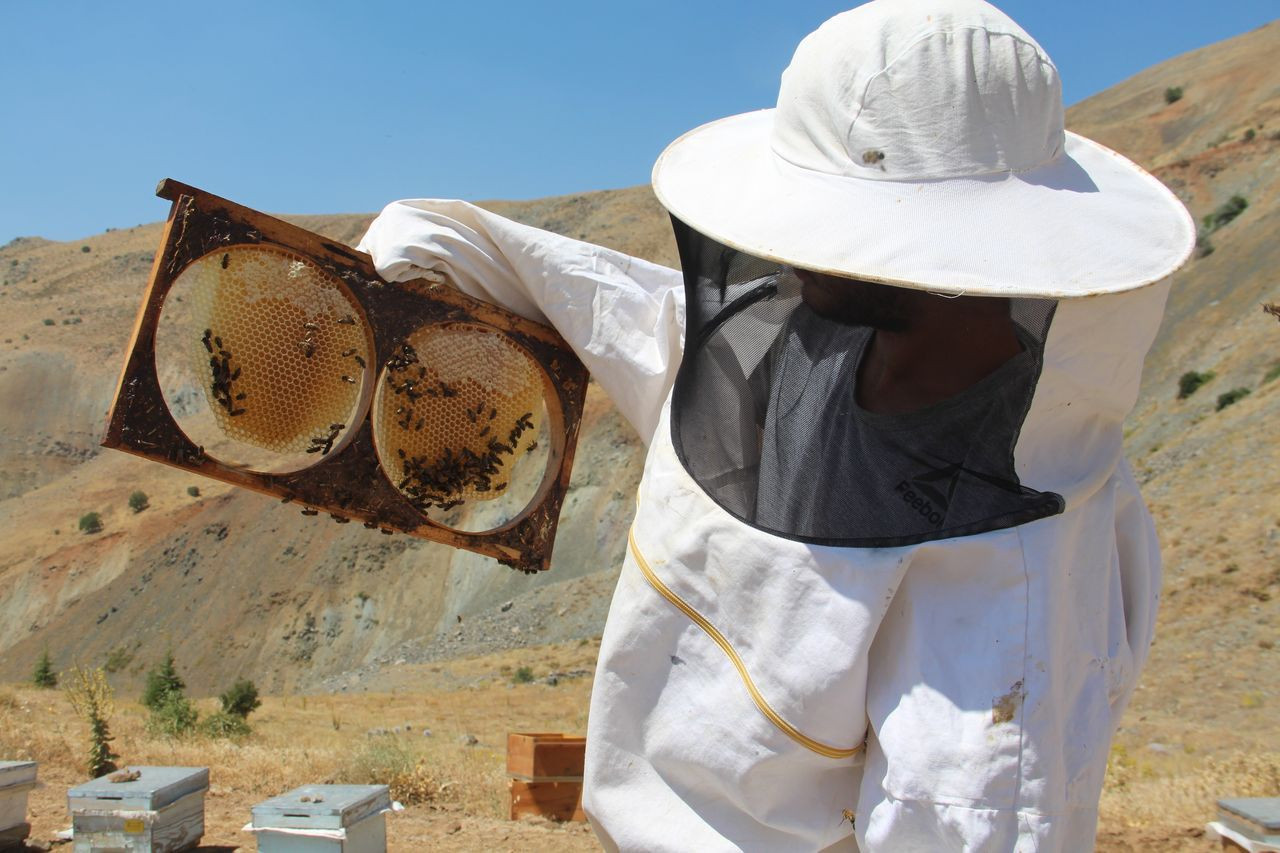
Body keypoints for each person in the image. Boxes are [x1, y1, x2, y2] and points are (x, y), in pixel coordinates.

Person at [358, 1, 1195, 849]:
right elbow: (546, 277)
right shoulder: (773, 353)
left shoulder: (1022, 579)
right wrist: (397, 274)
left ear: (943, 241)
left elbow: (969, 823)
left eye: (829, 210)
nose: (792, 242)